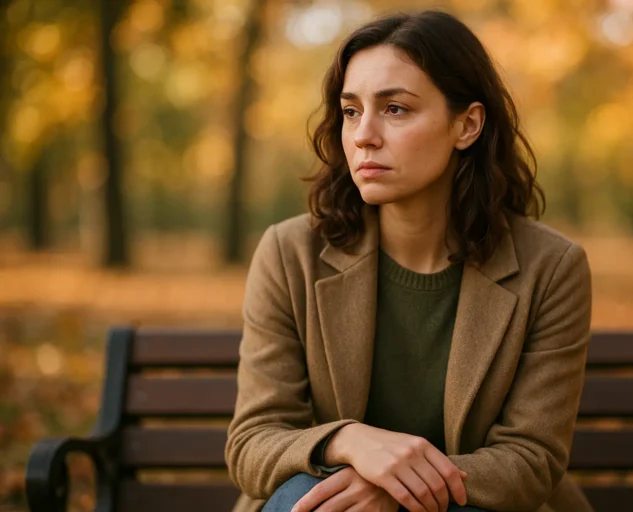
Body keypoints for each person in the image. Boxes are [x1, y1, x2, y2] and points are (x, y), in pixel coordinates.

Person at [225, 10, 593, 512]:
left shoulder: (550, 268)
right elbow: (253, 442)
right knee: (302, 499)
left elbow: (531, 460)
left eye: (395, 109)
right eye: (351, 111)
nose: (363, 135)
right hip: (332, 500)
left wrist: (398, 489)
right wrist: (351, 442)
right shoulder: (290, 255)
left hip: (477, 504)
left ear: (467, 125)